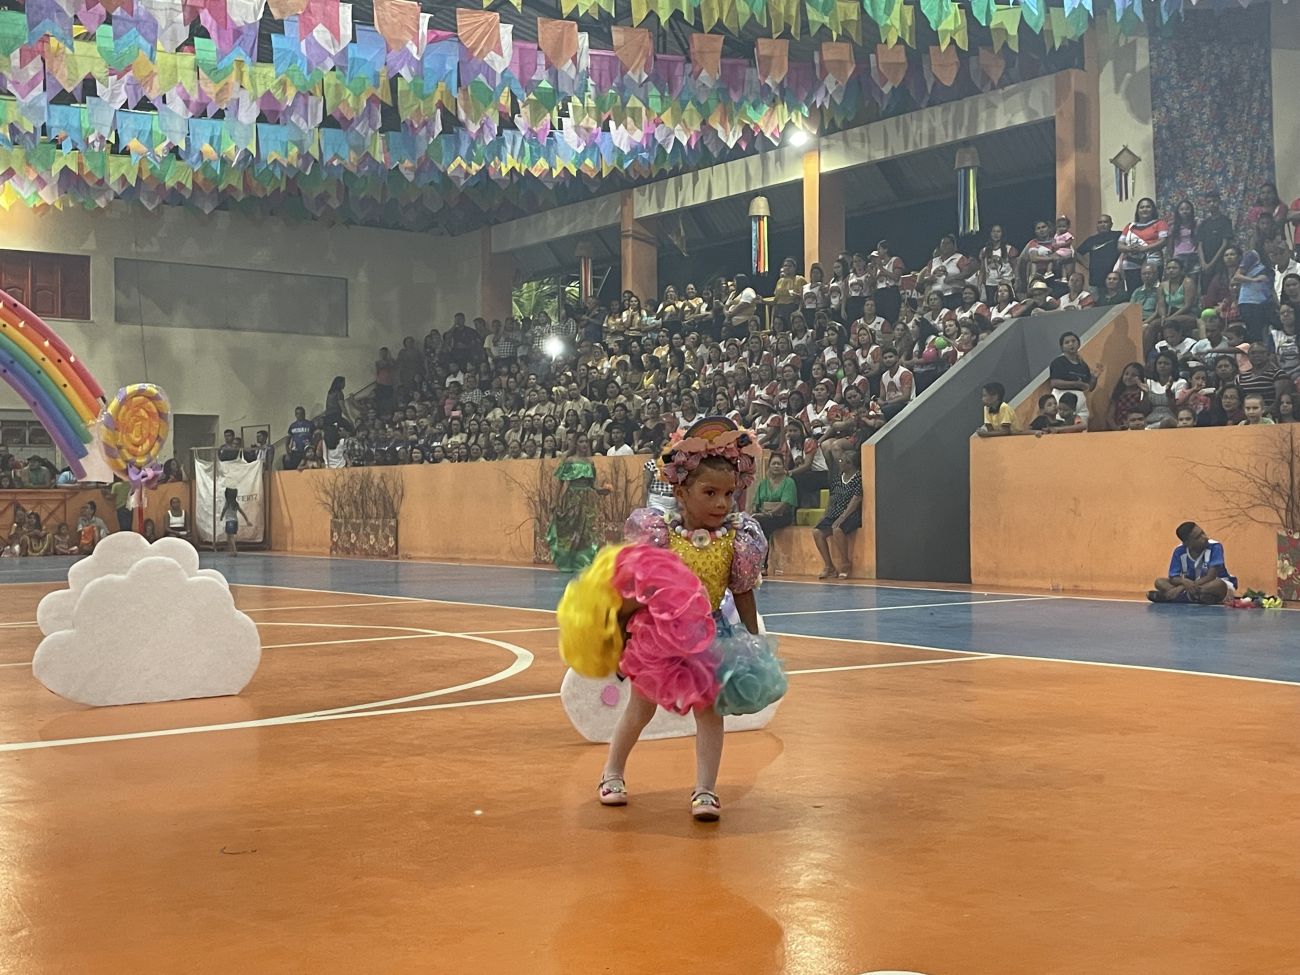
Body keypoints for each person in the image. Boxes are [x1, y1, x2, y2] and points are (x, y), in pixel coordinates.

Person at [572, 417, 783, 822]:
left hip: (711, 638)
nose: (722, 503)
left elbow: (742, 591)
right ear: (682, 493)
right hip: (659, 639)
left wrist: (754, 642)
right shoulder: (660, 535)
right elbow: (635, 593)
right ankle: (612, 772)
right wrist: (619, 638)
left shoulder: (737, 539)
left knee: (710, 712)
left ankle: (706, 789)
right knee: (641, 709)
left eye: (729, 493)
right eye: (710, 493)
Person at [1148, 521, 1237, 604]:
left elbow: (1211, 576)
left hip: (1214, 583)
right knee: (1159, 582)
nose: (1204, 537)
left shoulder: (1215, 546)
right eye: (1198, 537)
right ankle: (1196, 598)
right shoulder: (1179, 551)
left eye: (1202, 533)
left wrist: (1182, 587)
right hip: (1196, 588)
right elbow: (1173, 578)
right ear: (1188, 543)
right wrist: (1184, 581)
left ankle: (1171, 597)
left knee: (1218, 584)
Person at [812, 446, 862, 579]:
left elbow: (856, 499)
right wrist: (825, 515)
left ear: (850, 464)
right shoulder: (838, 478)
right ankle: (829, 566)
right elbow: (832, 497)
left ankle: (845, 564)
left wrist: (843, 517)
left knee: (837, 529)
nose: (839, 463)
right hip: (834, 512)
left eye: (842, 461)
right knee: (817, 532)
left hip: (850, 514)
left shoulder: (858, 478)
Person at [752, 452, 797, 574]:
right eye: (774, 463)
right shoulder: (763, 483)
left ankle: (763, 565)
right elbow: (756, 503)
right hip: (764, 516)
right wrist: (754, 513)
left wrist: (770, 514)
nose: (776, 466)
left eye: (779, 464)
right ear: (769, 466)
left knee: (763, 524)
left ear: (783, 467)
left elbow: (785, 504)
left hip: (782, 516)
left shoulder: (789, 482)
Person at [1048, 331, 1098, 424]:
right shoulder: (1058, 362)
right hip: (1062, 400)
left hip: (1080, 405)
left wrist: (1094, 378)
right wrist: (1076, 384)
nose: (1071, 344)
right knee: (1062, 427)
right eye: (1067, 342)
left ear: (1078, 344)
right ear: (1062, 347)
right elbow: (1054, 383)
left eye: (1073, 341)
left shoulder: (1083, 365)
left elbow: (1089, 388)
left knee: (1082, 428)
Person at [1077, 214, 1121, 291]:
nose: (1102, 224)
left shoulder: (1118, 235)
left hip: (1114, 279)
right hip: (1096, 280)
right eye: (1100, 222)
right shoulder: (1091, 240)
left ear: (1111, 224)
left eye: (1105, 222)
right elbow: (1077, 253)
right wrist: (1086, 265)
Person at [220, 486, 250, 556]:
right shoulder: (235, 504)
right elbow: (242, 512)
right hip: (235, 521)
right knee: (229, 537)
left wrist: (221, 517)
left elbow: (224, 510)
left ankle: (234, 551)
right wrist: (247, 520)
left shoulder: (227, 503)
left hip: (229, 521)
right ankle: (231, 551)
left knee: (230, 537)